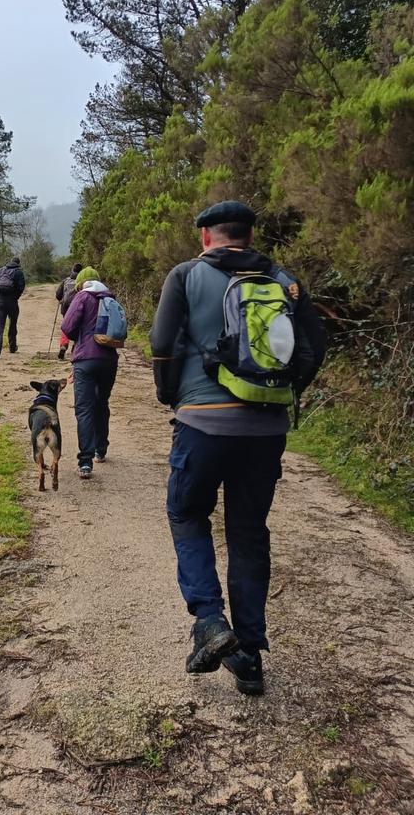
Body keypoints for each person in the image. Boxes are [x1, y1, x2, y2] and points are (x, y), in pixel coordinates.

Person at [149, 201, 326, 694]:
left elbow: (162, 343)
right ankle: (248, 656)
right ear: (248, 235)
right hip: (266, 431)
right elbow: (313, 349)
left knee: (187, 515)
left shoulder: (185, 275)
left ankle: (209, 621)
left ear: (207, 235)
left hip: (202, 423)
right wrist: (280, 396)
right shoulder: (284, 281)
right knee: (248, 533)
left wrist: (172, 394)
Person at [60, 266, 119, 479]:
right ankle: (101, 450)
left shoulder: (83, 297)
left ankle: (85, 462)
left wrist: (80, 335)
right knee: (102, 403)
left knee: (84, 409)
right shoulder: (110, 297)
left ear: (81, 284)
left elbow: (67, 326)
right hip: (109, 360)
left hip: (85, 360)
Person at [0, 256, 25, 359]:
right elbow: (21, 287)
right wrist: (16, 297)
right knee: (13, 323)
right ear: (18, 264)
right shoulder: (18, 272)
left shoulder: (1, 270)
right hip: (12, 301)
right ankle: (12, 346)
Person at [55, 262, 83, 360]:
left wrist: (61, 300)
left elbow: (58, 295)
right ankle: (75, 349)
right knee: (79, 327)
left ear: (73, 270)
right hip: (78, 307)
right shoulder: (82, 282)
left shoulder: (66, 280)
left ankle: (63, 345)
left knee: (65, 326)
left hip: (66, 307)